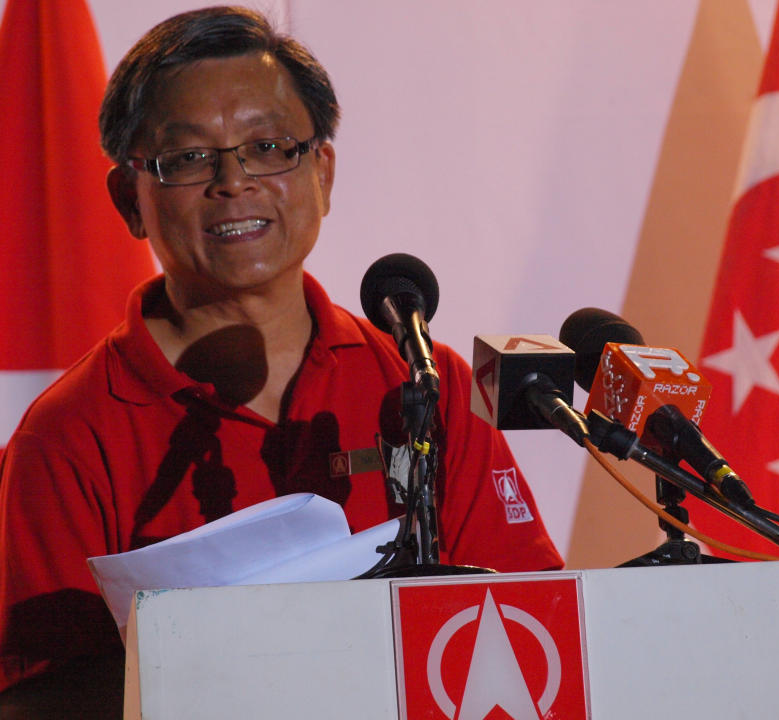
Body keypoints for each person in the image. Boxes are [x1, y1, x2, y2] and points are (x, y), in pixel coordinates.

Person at [0, 7, 562, 718]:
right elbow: (39, 700)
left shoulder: (423, 383)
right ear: (129, 200)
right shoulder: (69, 435)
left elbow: (527, 621)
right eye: (190, 158)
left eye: (269, 146)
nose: (234, 180)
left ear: (322, 172)